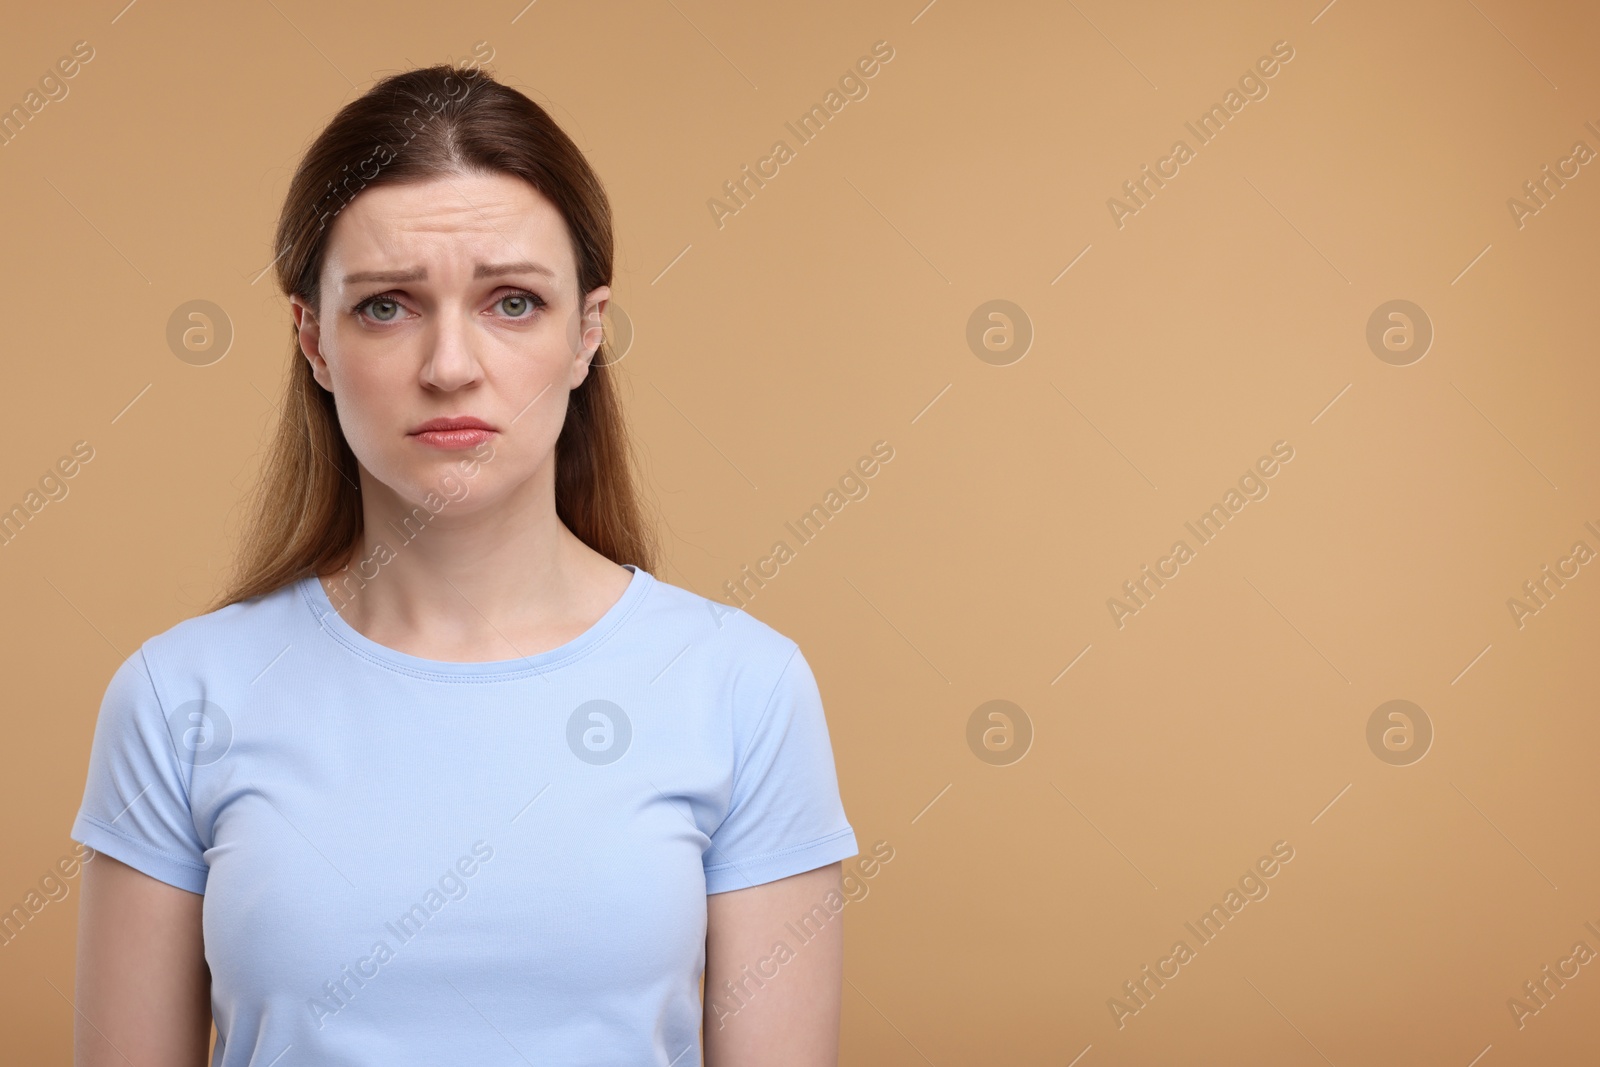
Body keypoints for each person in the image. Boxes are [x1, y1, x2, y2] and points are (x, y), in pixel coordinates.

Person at [70, 63, 857, 1066]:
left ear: (588, 332)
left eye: (513, 302)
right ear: (312, 338)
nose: (449, 365)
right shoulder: (177, 696)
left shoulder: (743, 688)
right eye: (388, 306)